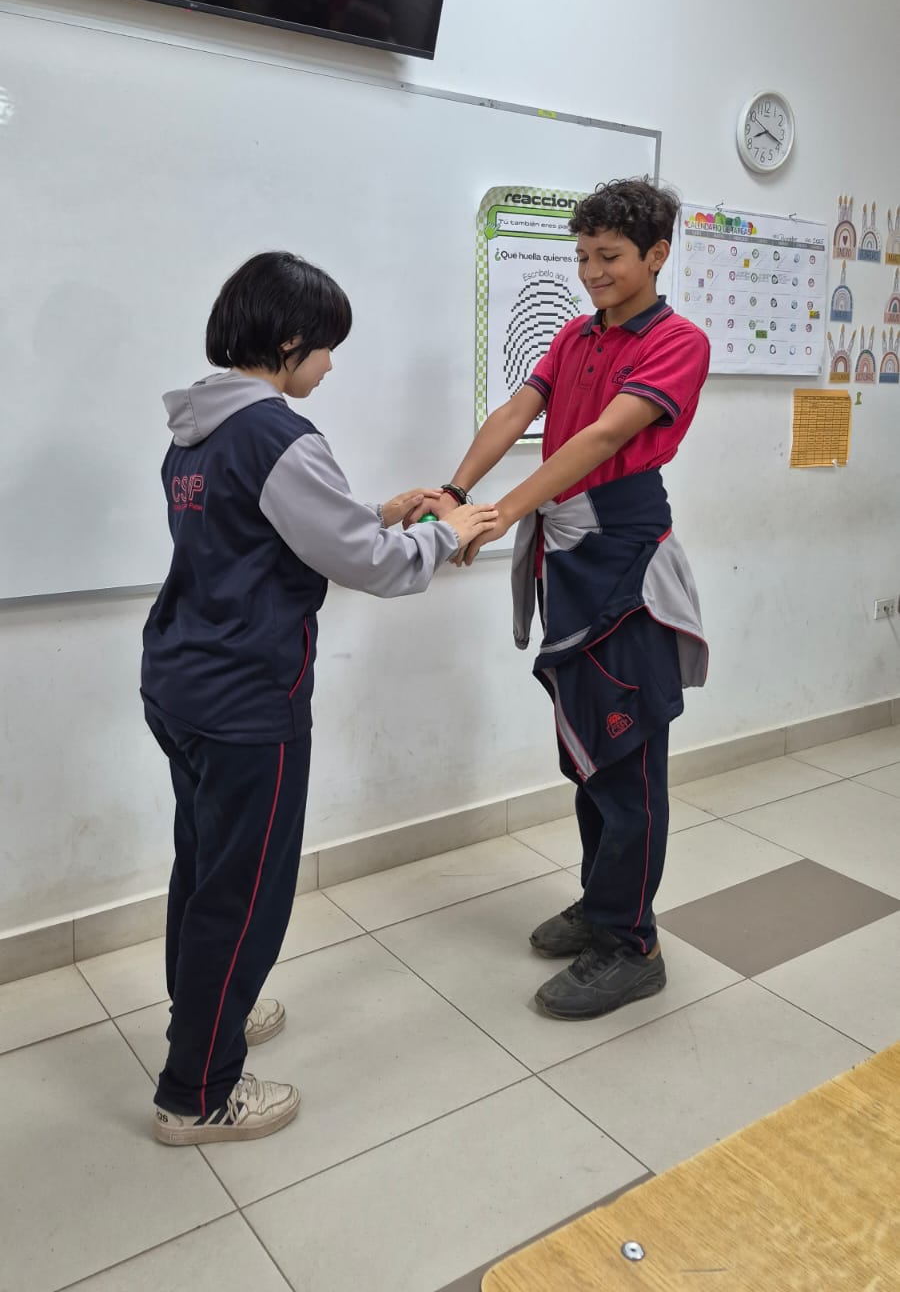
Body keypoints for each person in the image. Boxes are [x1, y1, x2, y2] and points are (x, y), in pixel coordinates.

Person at [141, 251, 497, 1144]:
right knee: (245, 893)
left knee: (204, 866)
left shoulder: (195, 429)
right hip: (246, 701)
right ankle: (199, 1093)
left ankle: (205, 1011)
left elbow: (260, 538)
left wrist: (373, 511)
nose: (331, 366)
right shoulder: (277, 434)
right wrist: (439, 534)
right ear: (289, 340)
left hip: (182, 683)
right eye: (326, 349)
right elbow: (370, 567)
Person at [423, 179, 710, 1021]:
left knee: (628, 754)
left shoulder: (677, 341)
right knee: (587, 745)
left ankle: (633, 943)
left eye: (610, 258)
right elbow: (522, 409)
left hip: (623, 557)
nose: (592, 273)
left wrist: (502, 511)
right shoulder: (574, 336)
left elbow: (600, 438)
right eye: (582, 257)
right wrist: (456, 487)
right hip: (569, 554)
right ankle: (600, 902)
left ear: (656, 255)